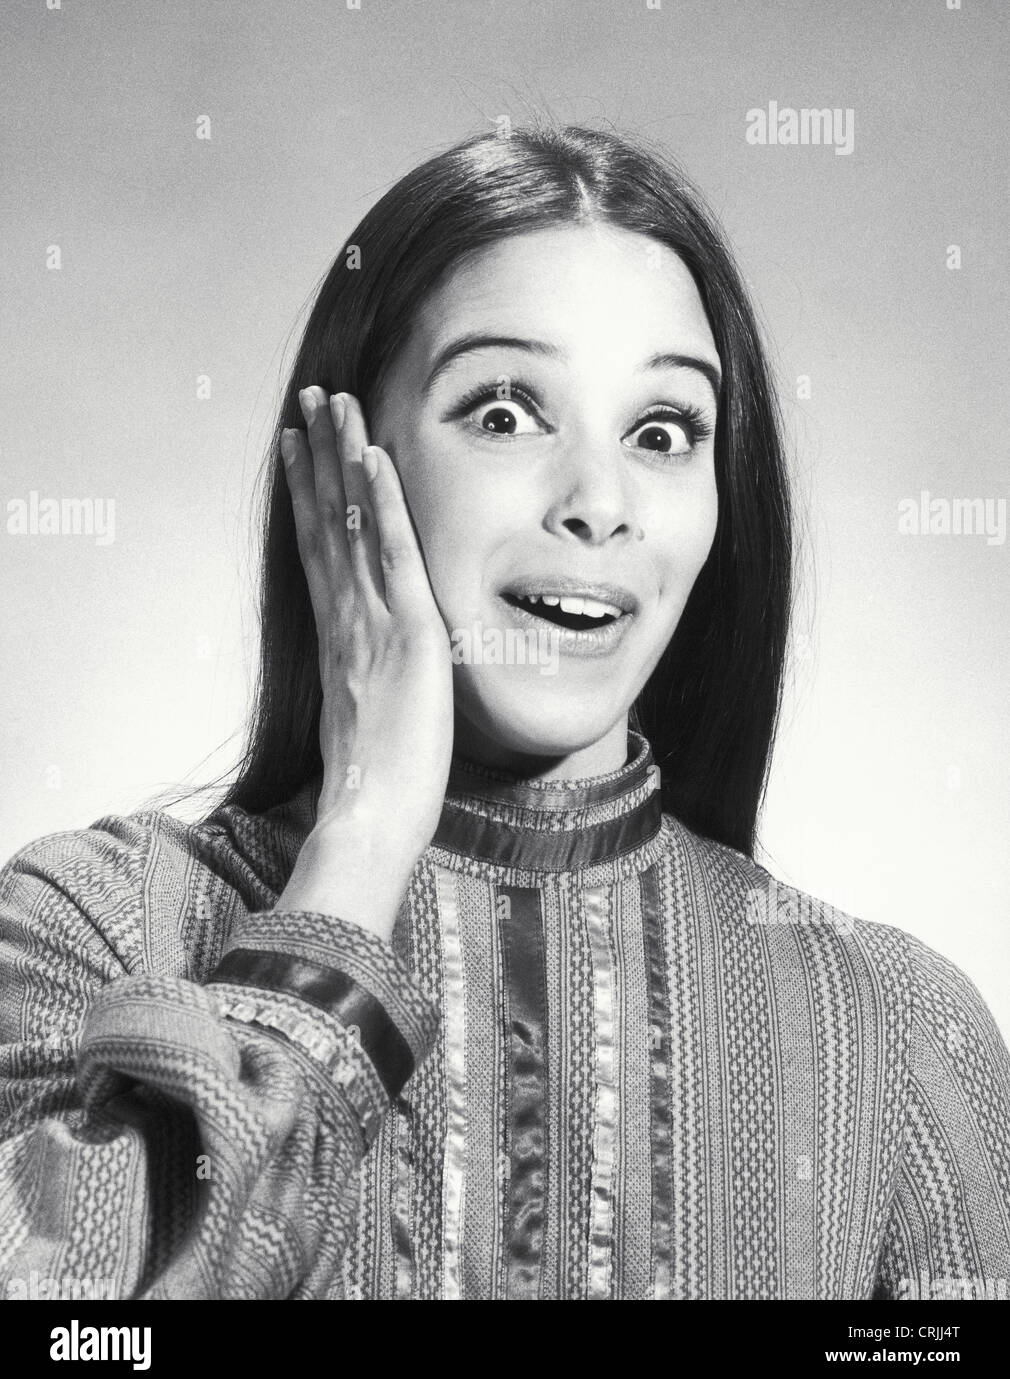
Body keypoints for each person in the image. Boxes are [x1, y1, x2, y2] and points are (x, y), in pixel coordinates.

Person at [1, 123, 1007, 1302]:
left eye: (662, 432)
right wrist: (359, 848)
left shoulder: (891, 1026)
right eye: (503, 412)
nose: (599, 502)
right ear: (344, 463)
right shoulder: (94, 925)